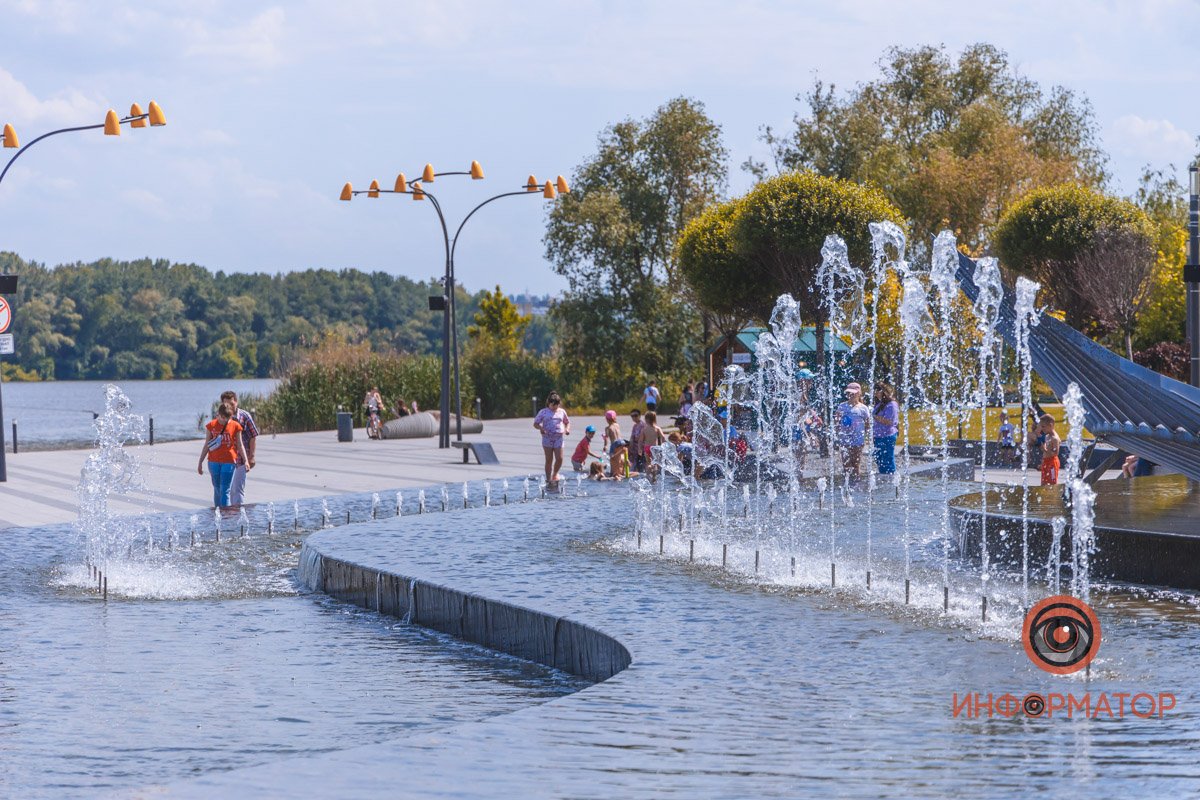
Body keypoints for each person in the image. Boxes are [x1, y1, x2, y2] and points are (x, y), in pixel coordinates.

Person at [197, 402, 250, 508]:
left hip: (229, 461)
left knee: (225, 490)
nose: (225, 420)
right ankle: (218, 512)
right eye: (223, 417)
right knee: (217, 489)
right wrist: (200, 462)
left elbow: (240, 444)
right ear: (218, 414)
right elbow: (207, 445)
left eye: (228, 418)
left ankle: (225, 517)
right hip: (213, 462)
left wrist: (246, 460)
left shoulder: (236, 426)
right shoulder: (211, 426)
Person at [220, 390, 259, 506]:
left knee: (237, 490)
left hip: (241, 460)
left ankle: (238, 514)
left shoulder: (244, 416)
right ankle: (228, 514)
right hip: (225, 460)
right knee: (226, 489)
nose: (230, 406)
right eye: (226, 404)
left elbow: (253, 436)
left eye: (232, 403)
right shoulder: (221, 418)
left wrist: (251, 457)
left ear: (236, 402)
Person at [533, 391, 570, 487]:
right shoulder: (543, 412)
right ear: (548, 403)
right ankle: (548, 478)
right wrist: (541, 428)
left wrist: (567, 429)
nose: (555, 407)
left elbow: (567, 422)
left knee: (560, 458)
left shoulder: (562, 412)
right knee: (549, 459)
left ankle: (555, 474)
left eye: (557, 405)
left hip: (558, 438)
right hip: (547, 438)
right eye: (553, 405)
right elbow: (535, 423)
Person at [836, 382, 870, 477]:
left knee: (856, 464)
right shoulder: (842, 406)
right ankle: (846, 485)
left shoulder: (863, 408)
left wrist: (866, 438)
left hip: (858, 440)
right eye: (848, 393)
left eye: (853, 393)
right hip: (845, 439)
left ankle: (856, 483)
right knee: (846, 465)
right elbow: (837, 422)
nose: (850, 395)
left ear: (859, 393)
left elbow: (867, 424)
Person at [872, 383, 899, 475]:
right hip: (878, 435)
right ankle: (883, 474)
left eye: (878, 390)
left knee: (887, 458)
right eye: (875, 390)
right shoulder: (879, 404)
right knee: (878, 457)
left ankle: (891, 476)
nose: (876, 393)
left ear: (884, 391)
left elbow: (890, 421)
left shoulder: (892, 404)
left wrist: (875, 417)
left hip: (887, 435)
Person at [1038, 413, 1061, 486]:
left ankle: (1053, 496)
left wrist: (1045, 450)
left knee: (1052, 483)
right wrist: (1042, 462)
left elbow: (1056, 453)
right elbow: (1046, 445)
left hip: (1052, 463)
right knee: (1044, 483)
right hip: (1046, 461)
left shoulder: (1055, 438)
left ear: (1050, 425)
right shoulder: (1047, 436)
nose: (1042, 428)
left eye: (1043, 426)